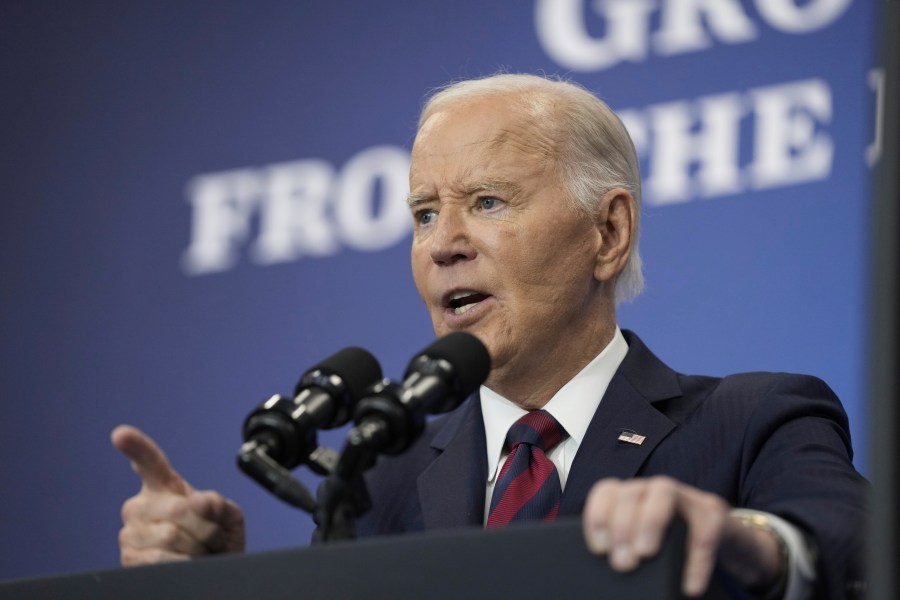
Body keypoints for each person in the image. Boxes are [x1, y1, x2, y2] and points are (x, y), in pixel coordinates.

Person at [113, 73, 866, 598]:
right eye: (424, 214)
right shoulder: (381, 482)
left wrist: (752, 549)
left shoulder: (754, 422)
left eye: (488, 201)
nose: (445, 243)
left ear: (607, 233)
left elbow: (853, 554)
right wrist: (216, 588)